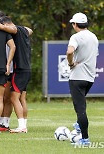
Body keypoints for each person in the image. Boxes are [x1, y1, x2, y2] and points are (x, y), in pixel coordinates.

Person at [0, 16, 33, 133]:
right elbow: (30, 30)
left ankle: (22, 127)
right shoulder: (23, 30)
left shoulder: (15, 30)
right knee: (20, 98)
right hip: (26, 69)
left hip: (19, 69)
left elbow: (8, 28)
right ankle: (22, 124)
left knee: (14, 97)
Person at [66, 12, 99, 145]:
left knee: (80, 109)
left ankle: (85, 139)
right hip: (90, 78)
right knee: (81, 106)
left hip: (77, 77)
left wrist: (70, 63)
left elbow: (69, 51)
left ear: (75, 24)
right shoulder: (94, 37)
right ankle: (79, 125)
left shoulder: (76, 37)